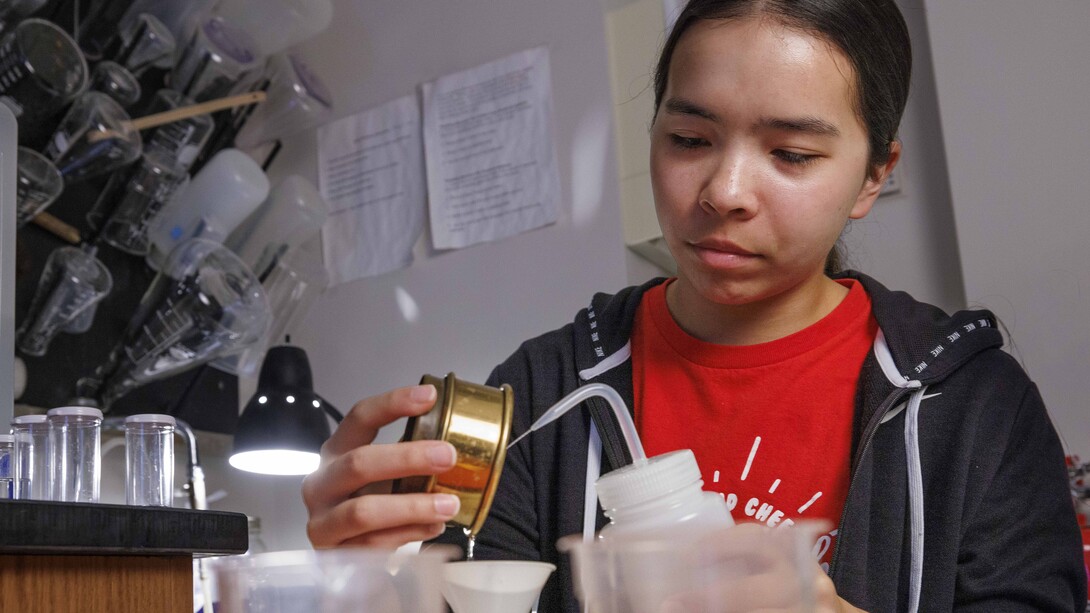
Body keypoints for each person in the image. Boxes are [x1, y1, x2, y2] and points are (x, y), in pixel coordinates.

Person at [302, 0, 1087, 610]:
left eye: (791, 154)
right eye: (688, 139)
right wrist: (373, 579)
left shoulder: (974, 406)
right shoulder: (546, 393)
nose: (724, 192)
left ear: (873, 175)